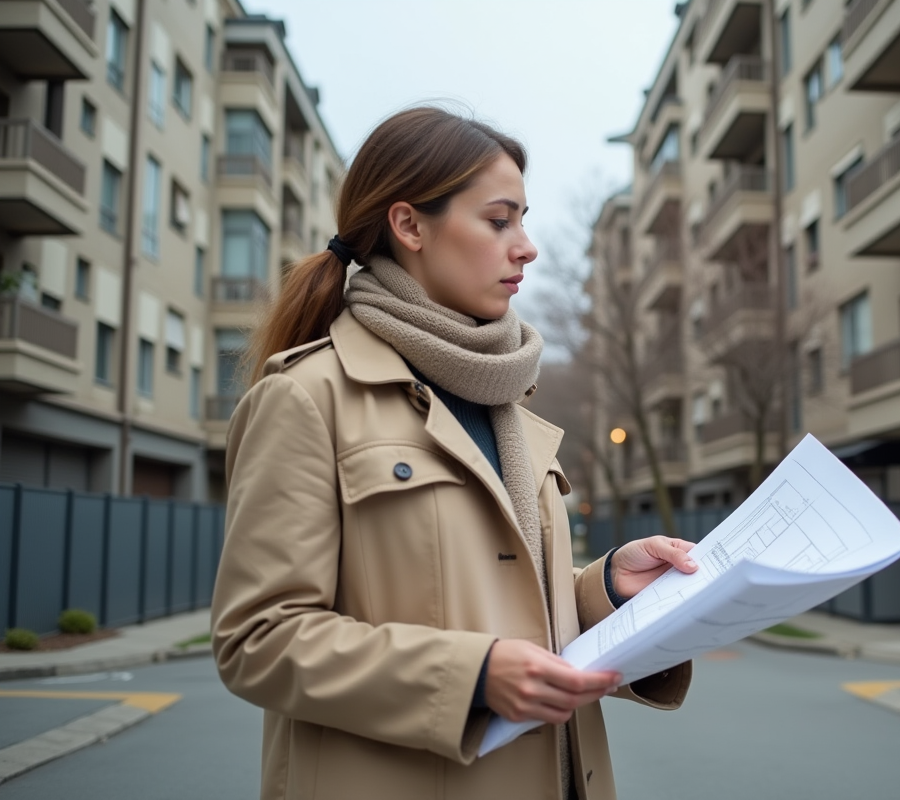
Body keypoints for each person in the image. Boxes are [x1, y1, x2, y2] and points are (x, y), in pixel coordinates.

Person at [210, 107, 698, 800]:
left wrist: (608, 590)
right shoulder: (307, 397)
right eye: (500, 221)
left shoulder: (512, 410)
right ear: (409, 226)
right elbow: (257, 639)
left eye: (524, 220)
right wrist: (469, 677)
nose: (526, 246)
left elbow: (510, 604)